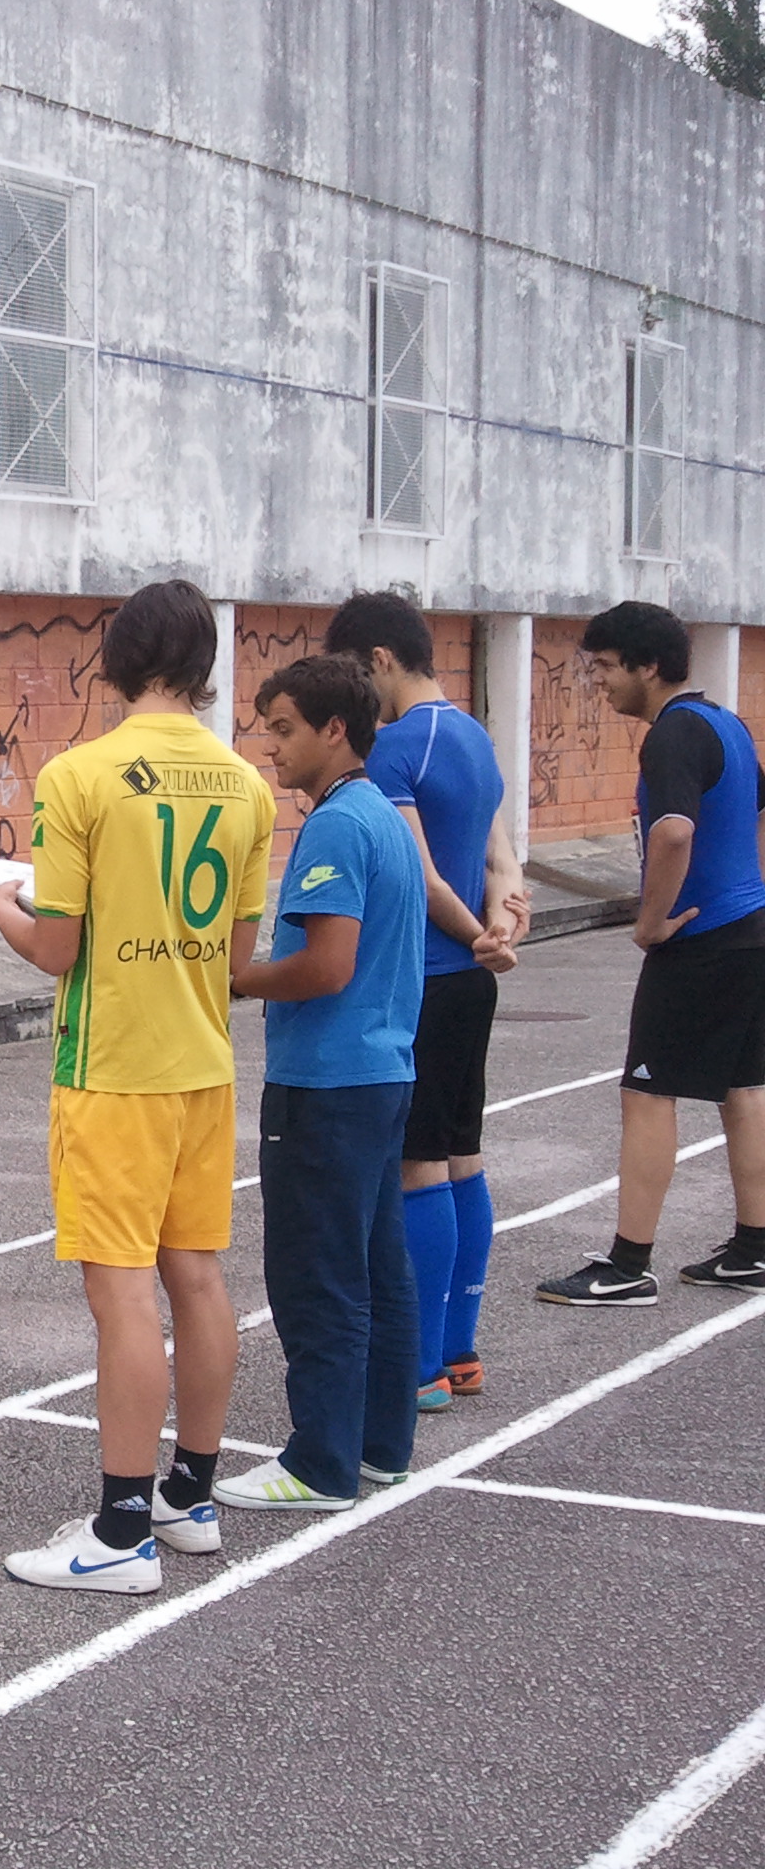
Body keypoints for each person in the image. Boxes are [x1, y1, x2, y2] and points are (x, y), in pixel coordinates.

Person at [0, 580, 273, 1595]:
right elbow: (237, 956)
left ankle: (118, 1532)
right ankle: (188, 1496)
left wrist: (1, 906)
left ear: (114, 660)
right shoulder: (246, 785)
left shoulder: (79, 775)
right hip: (202, 1063)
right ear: (203, 667)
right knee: (196, 1275)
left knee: (119, 1294)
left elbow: (56, 946)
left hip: (112, 1068)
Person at [217, 654, 427, 1513]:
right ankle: (379, 1445)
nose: (271, 747)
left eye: (284, 729)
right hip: (381, 1072)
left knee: (317, 1275)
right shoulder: (383, 814)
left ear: (335, 729)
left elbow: (327, 964)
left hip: (328, 1084)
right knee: (379, 1266)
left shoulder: (338, 824)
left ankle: (320, 1462)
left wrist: (236, 979)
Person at [324, 592, 531, 1406]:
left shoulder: (396, 747)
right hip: (470, 981)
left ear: (379, 660)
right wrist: (503, 924)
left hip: (429, 977)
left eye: (354, 673)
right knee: (462, 1155)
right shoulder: (476, 736)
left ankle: (418, 1368)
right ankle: (459, 1348)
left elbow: (424, 877)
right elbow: (502, 859)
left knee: (417, 1166)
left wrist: (480, 935)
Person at [537, 601, 765, 1306]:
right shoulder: (727, 723)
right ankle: (753, 1249)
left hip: (700, 937)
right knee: (745, 1089)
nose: (599, 682)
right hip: (748, 929)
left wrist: (650, 921)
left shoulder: (673, 734)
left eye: (607, 667)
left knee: (646, 1093)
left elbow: (671, 832)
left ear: (650, 667)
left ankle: (628, 1266)